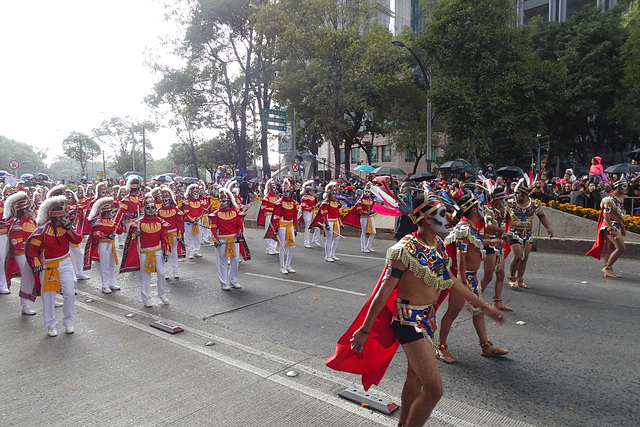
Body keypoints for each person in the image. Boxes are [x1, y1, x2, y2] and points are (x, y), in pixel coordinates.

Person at [326, 182, 505, 426]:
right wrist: (365, 330)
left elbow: (451, 280)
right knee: (435, 390)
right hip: (409, 322)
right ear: (426, 219)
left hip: (428, 321)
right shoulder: (404, 250)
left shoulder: (439, 246)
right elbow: (383, 292)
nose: (447, 219)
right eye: (441, 215)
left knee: (415, 382)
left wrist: (484, 307)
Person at [436, 192, 508, 363]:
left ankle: (486, 346)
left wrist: (492, 242)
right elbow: (461, 257)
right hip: (464, 279)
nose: (483, 208)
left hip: (472, 278)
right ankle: (441, 347)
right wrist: (463, 283)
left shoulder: (471, 228)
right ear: (474, 209)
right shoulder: (463, 229)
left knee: (478, 312)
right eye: (479, 205)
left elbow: (475, 242)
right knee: (452, 313)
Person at [26, 195, 82, 336]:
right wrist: (36, 263)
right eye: (63, 217)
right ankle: (51, 324)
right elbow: (31, 250)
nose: (66, 218)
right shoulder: (41, 231)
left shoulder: (66, 228)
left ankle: (68, 321)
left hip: (65, 263)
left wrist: (69, 228)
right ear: (56, 217)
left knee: (69, 293)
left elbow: (77, 239)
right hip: (49, 266)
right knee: (49, 296)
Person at [505, 178, 553, 289]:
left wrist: (548, 228)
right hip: (514, 232)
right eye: (516, 193)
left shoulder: (534, 204)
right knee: (517, 256)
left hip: (528, 233)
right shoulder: (510, 204)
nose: (516, 195)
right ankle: (511, 277)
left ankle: (520, 279)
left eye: (519, 193)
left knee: (525, 257)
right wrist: (502, 230)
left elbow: (542, 216)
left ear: (526, 193)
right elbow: (502, 218)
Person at [586, 176, 628, 278]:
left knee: (610, 248)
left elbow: (618, 215)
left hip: (616, 225)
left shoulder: (619, 199)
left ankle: (608, 270)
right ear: (617, 187)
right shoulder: (609, 199)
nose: (626, 188)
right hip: (610, 226)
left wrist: (622, 227)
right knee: (621, 248)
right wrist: (610, 227)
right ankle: (607, 267)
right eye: (624, 186)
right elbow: (606, 214)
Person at [4, 191, 38, 315]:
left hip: (33, 254)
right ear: (23, 210)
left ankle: (49, 298)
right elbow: (17, 244)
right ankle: (25, 305)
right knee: (27, 278)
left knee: (42, 276)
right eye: (29, 208)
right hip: (23, 255)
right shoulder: (18, 224)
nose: (32, 210)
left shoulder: (31, 221)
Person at [133, 198, 170, 307]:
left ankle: (162, 294)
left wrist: (166, 252)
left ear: (155, 209)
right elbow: (131, 239)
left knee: (162, 273)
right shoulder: (138, 223)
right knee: (145, 275)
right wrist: (136, 235)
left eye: (152, 208)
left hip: (158, 250)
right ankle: (146, 298)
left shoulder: (161, 222)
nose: (150, 210)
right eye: (148, 208)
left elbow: (165, 238)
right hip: (144, 251)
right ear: (144, 209)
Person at [480, 186, 511, 311]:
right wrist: (500, 231)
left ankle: (497, 301)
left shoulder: (503, 210)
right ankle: (475, 300)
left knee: (501, 274)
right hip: (490, 243)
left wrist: (505, 233)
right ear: (497, 199)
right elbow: (487, 226)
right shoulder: (488, 209)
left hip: (499, 244)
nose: (505, 201)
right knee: (488, 276)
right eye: (503, 199)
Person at [84, 197, 124, 294]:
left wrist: (121, 224)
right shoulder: (99, 222)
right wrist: (106, 236)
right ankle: (104, 285)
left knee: (111, 265)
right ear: (106, 212)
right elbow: (95, 234)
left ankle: (111, 282)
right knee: (105, 265)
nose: (113, 213)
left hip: (111, 245)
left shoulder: (112, 221)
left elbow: (119, 231)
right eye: (111, 211)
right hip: (103, 245)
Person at [209, 188, 243, 290]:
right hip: (222, 240)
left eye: (223, 201)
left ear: (229, 202)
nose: (221, 203)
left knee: (235, 259)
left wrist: (239, 236)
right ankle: (223, 282)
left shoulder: (236, 213)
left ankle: (233, 280)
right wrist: (215, 240)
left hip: (233, 240)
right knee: (222, 261)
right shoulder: (216, 214)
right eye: (220, 201)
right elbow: (213, 228)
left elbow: (239, 226)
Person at [270, 179, 299, 274]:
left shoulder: (294, 203)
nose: (286, 193)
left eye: (287, 191)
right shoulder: (279, 203)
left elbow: (295, 216)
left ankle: (288, 265)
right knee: (282, 246)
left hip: (290, 225)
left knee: (292, 246)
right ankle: (282, 266)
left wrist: (295, 227)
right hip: (282, 225)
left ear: (290, 192)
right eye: (284, 192)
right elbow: (276, 217)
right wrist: (275, 227)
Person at [311, 181, 343, 262]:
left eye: (335, 193)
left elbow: (338, 214)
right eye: (333, 193)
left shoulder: (335, 202)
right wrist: (326, 224)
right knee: (329, 239)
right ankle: (327, 255)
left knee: (337, 238)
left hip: (336, 222)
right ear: (329, 194)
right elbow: (324, 215)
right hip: (329, 221)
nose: (335, 195)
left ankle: (333, 253)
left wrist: (340, 223)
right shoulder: (325, 203)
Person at [157, 187, 184, 279]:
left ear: (171, 200)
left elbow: (179, 224)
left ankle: (175, 271)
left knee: (174, 253)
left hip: (173, 234)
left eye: (167, 200)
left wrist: (180, 235)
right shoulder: (159, 211)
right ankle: (165, 272)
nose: (165, 202)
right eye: (163, 200)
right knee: (164, 253)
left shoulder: (176, 211)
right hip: (163, 235)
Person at [181, 183, 205, 258]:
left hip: (197, 221)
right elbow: (186, 213)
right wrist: (192, 219)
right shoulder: (187, 202)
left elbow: (201, 211)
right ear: (190, 192)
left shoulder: (200, 202)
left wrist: (197, 219)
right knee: (189, 236)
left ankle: (196, 251)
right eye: (193, 191)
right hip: (189, 222)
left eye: (196, 191)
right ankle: (190, 252)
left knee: (198, 236)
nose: (195, 193)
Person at [258, 179, 280, 255]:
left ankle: (274, 247)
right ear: (270, 188)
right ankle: (269, 248)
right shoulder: (266, 197)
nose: (275, 189)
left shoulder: (277, 198)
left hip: (275, 216)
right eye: (273, 188)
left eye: (275, 188)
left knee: (275, 231)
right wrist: (272, 209)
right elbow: (263, 207)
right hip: (269, 216)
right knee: (269, 230)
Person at [299, 179, 320, 248]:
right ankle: (306, 242)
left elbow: (314, 205)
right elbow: (304, 206)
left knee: (317, 226)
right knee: (308, 227)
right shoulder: (304, 197)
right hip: (307, 213)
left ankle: (315, 239)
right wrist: (311, 208)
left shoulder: (312, 197)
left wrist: (318, 203)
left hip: (312, 212)